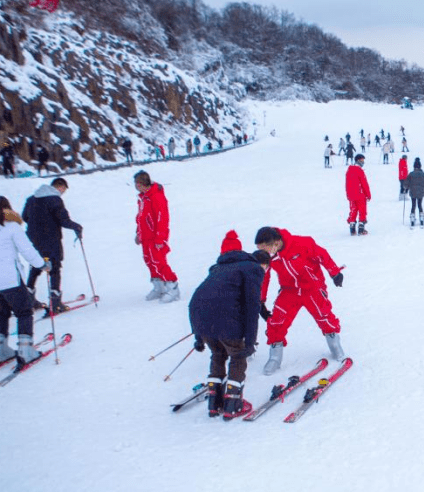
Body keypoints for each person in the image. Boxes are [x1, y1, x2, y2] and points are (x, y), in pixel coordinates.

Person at [188, 231, 264, 419]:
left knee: (218, 353)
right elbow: (252, 307)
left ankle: (214, 403)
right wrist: (249, 343)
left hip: (201, 320)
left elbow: (196, 301)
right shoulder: (252, 269)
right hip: (226, 320)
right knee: (238, 357)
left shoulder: (217, 269)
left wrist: (198, 335)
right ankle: (233, 405)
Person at [0, 196, 50, 367]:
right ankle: (25, 351)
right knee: (24, 312)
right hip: (9, 280)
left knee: (1, 312)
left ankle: (0, 350)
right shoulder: (12, 227)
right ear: (7, 209)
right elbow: (27, 251)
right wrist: (42, 264)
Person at [254, 226, 346, 374]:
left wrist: (334, 273)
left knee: (324, 316)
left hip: (312, 288)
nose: (262, 252)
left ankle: (335, 345)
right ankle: (275, 358)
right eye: (259, 248)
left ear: (276, 243)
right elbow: (264, 277)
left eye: (264, 248)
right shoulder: (268, 257)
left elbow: (322, 255)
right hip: (289, 291)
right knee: (277, 321)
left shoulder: (302, 244)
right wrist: (261, 301)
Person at [22, 177, 83, 314]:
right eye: (64, 190)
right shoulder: (55, 199)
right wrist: (76, 227)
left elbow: (25, 217)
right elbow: (63, 220)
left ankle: (29, 298)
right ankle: (55, 302)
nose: (63, 193)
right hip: (51, 238)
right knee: (54, 266)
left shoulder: (32, 199)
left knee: (37, 264)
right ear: (59, 186)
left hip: (34, 238)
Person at [134, 170, 180, 302]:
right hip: (146, 237)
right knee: (149, 261)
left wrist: (161, 238)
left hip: (156, 237)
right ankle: (159, 286)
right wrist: (139, 233)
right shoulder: (143, 198)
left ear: (145, 183)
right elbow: (141, 218)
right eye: (136, 185)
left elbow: (162, 219)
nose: (138, 187)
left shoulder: (156, 197)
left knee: (159, 262)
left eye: (139, 184)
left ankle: (173, 287)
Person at [346, 154, 371, 235]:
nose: (363, 162)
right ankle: (361, 228)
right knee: (362, 210)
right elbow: (364, 184)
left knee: (353, 210)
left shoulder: (349, 170)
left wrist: (348, 195)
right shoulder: (359, 170)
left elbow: (347, 184)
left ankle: (352, 228)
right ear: (358, 161)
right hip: (360, 195)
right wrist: (368, 194)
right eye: (362, 161)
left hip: (351, 195)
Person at [407, 157, 424, 226]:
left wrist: (406, 187)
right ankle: (421, 218)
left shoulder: (411, 174)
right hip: (420, 192)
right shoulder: (423, 174)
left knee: (413, 205)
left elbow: (406, 182)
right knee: (420, 204)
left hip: (413, 192)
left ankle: (412, 218)